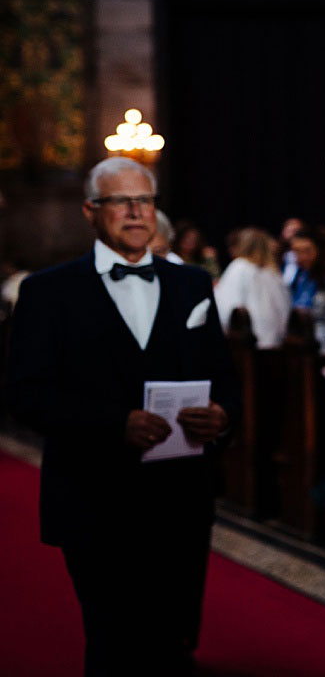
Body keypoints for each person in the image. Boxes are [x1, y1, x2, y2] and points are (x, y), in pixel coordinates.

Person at [3, 156, 237, 676]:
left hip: (180, 495)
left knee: (173, 641)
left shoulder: (192, 286)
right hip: (93, 497)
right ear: (91, 211)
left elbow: (225, 378)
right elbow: (24, 395)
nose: (136, 212)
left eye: (146, 200)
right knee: (114, 641)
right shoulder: (46, 291)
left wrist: (221, 417)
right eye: (121, 201)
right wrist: (115, 423)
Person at [213, 227, 291, 348]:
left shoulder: (239, 267)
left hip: (247, 343)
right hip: (274, 342)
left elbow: (226, 306)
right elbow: (285, 307)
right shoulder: (274, 272)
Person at [288, 225, 325, 354]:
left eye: (307, 251)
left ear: (320, 250)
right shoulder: (300, 275)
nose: (301, 256)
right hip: (303, 346)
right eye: (296, 252)